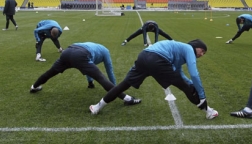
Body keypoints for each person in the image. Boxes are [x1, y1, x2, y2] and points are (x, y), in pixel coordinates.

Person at [89, 39, 218, 120]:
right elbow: (194, 74)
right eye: (202, 51)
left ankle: (97, 107)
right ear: (195, 46)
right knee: (186, 87)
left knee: (123, 85)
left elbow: (179, 73)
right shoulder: (188, 48)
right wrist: (201, 95)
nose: (202, 54)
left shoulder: (179, 50)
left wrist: (189, 83)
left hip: (144, 56)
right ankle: (209, 111)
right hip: (158, 60)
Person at [29, 42, 141, 107]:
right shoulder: (105, 52)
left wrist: (90, 83)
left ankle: (34, 86)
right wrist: (115, 89)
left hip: (68, 51)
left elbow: (87, 68)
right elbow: (109, 71)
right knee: (101, 78)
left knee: (50, 73)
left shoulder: (94, 46)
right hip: (80, 54)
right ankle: (127, 99)